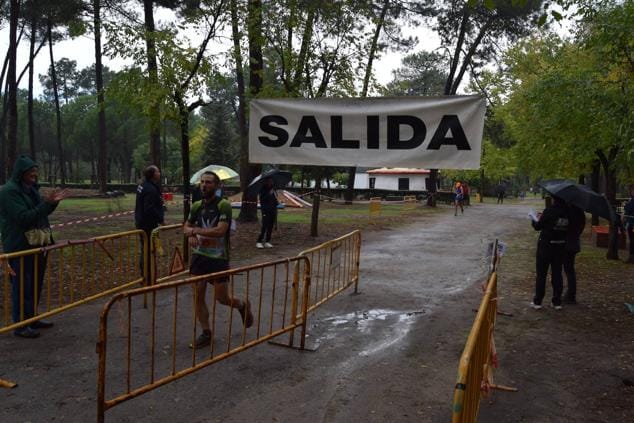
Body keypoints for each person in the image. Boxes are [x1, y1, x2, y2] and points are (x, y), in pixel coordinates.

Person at [0, 155, 70, 338]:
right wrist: (47, 204)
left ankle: (32, 318)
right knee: (21, 286)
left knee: (35, 283)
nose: (34, 174)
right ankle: (21, 325)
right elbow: (24, 217)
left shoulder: (30, 189)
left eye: (35, 171)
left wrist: (52, 203)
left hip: (38, 243)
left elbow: (40, 212)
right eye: (31, 171)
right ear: (21, 173)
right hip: (19, 246)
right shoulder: (8, 192)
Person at [183, 171, 253, 349]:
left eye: (208, 182)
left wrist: (195, 231)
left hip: (218, 259)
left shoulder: (224, 206)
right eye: (202, 182)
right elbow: (186, 226)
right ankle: (206, 333)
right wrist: (190, 233)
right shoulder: (196, 206)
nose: (204, 185)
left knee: (222, 299)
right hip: (199, 258)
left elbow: (220, 231)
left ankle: (242, 304)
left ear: (217, 186)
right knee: (198, 296)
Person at [530, 195, 569, 310]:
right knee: (557, 273)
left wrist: (534, 219)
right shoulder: (567, 212)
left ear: (554, 199)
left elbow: (538, 226)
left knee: (541, 274)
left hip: (546, 246)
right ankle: (557, 302)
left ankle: (538, 301)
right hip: (560, 246)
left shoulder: (549, 211)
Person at [134, 165, 165, 280]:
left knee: (149, 249)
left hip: (142, 222)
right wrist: (160, 219)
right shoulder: (150, 189)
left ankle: (148, 273)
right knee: (148, 250)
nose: (159, 173)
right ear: (153, 174)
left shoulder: (143, 185)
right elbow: (149, 209)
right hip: (148, 225)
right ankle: (147, 275)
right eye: (157, 171)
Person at [563, 204, 586, 304]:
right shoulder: (580, 211)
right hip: (574, 243)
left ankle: (570, 295)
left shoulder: (566, 211)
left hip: (566, 244)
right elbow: (581, 227)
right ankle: (571, 294)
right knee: (570, 270)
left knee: (567, 269)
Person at [256, 177, 279, 248]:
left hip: (273, 210)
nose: (271, 182)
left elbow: (275, 201)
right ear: (266, 182)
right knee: (265, 225)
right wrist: (269, 193)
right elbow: (262, 199)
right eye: (269, 181)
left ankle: (267, 241)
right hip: (265, 210)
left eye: (272, 181)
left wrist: (276, 199)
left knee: (270, 226)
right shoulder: (263, 190)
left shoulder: (273, 190)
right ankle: (259, 241)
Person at [624, 185, 634, 263]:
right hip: (631, 222)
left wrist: (626, 205)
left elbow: (628, 209)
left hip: (632, 223)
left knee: (632, 240)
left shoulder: (632, 201)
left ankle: (632, 256)